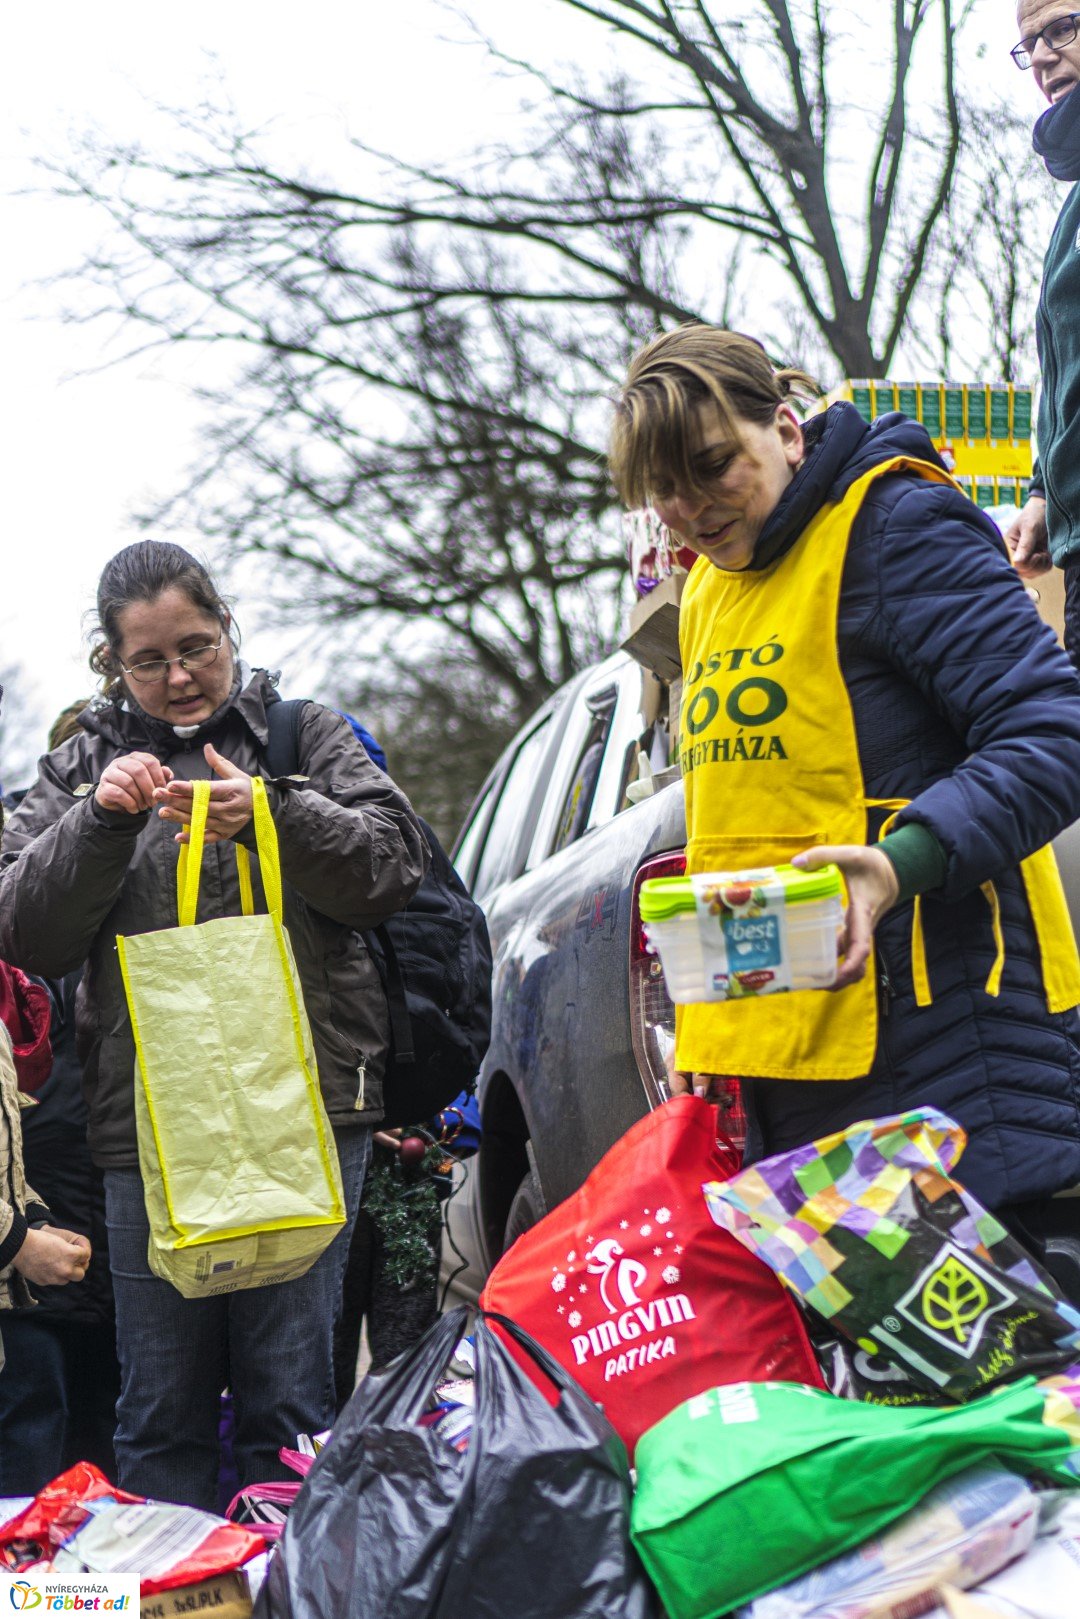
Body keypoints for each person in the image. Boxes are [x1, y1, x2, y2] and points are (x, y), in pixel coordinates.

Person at [609, 325, 1080, 1290]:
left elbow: (1053, 732)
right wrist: (712, 1036)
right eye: (666, 488)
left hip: (951, 1052)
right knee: (893, 1416)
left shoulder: (896, 522)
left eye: (712, 467)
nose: (691, 508)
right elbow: (741, 824)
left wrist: (896, 863)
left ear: (784, 427)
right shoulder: (708, 594)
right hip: (800, 1075)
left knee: (1010, 1413)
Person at [0, 540, 429, 1508]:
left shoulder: (301, 734)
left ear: (229, 625)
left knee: (291, 1405)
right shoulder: (78, 766)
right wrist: (100, 822)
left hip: (310, 1104)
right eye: (148, 660)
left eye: (197, 646)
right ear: (111, 663)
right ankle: (180, 1599)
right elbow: (22, 927)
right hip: (145, 1126)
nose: (180, 676)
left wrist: (277, 813)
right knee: (160, 1411)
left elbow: (392, 869)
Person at [1004, 4, 1080, 664]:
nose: (1044, 56)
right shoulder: (1072, 211)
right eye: (1030, 44)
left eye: (1062, 28)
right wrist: (1041, 494)